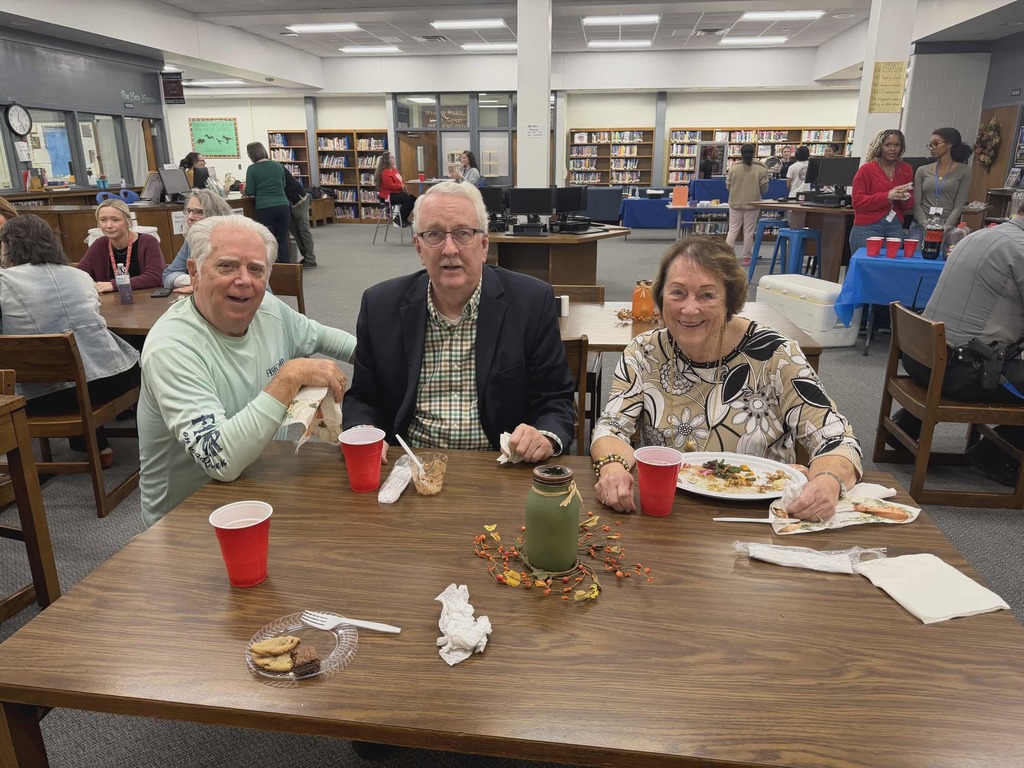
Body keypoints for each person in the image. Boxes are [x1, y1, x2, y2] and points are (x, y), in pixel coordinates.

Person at [591, 235, 862, 520]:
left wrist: (828, 481)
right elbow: (611, 427)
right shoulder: (644, 351)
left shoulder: (776, 355)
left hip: (760, 514)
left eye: (707, 295)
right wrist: (612, 467)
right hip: (668, 513)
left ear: (730, 300)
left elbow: (838, 439)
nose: (689, 308)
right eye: (677, 293)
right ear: (660, 297)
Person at [137, 215, 356, 528]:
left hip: (266, 485)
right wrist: (289, 377)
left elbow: (326, 338)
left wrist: (395, 362)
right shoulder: (172, 347)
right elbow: (222, 461)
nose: (244, 280)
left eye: (256, 269)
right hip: (189, 518)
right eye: (226, 266)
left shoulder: (266, 306)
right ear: (194, 273)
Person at [343, 180, 576, 461]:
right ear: (418, 247)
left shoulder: (531, 302)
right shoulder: (380, 306)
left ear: (483, 245)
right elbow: (363, 398)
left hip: (499, 468)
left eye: (463, 234)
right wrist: (365, 431)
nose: (449, 249)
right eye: (434, 235)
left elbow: (556, 399)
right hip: (410, 465)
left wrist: (545, 436)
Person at [893, 198, 1024, 487]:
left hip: (920, 358)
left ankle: (908, 422)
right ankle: (997, 452)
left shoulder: (981, 234)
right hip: (958, 372)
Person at [0, 214, 139, 468]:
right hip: (112, 380)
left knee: (59, 372)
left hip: (46, 395)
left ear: (8, 246)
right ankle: (98, 445)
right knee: (84, 359)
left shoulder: (4, 283)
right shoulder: (80, 276)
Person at [849, 129, 914, 253]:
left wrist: (905, 198)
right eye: (888, 145)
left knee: (889, 267)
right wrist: (888, 196)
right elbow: (857, 202)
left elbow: (908, 206)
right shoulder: (866, 170)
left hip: (895, 225)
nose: (892, 149)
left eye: (897, 145)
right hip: (868, 225)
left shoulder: (905, 169)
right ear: (880, 147)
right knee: (866, 265)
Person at [77, 198, 163, 292]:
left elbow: (155, 277)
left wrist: (114, 285)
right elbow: (79, 274)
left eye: (115, 220)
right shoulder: (99, 244)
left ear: (127, 221)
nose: (108, 225)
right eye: (103, 220)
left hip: (146, 300)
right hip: (110, 302)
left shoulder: (148, 241)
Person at [161, 189, 234, 291]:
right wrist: (194, 281)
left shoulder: (233, 242)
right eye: (189, 211)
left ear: (215, 214)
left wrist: (199, 283)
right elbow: (168, 275)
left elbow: (232, 280)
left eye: (199, 212)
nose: (190, 217)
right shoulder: (191, 241)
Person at [910, 127, 973, 241]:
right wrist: (925, 224)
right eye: (930, 145)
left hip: (945, 226)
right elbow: (916, 203)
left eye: (936, 144)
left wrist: (946, 227)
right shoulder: (922, 170)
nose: (932, 148)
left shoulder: (964, 171)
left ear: (949, 144)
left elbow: (959, 205)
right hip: (921, 225)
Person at [243, 141, 291, 264]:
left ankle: (272, 268)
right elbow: (284, 184)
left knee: (269, 240)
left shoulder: (252, 169)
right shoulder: (277, 165)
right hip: (283, 205)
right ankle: (286, 267)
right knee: (283, 239)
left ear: (251, 155)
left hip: (265, 207)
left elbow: (249, 190)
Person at [725, 143, 769, 268]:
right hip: (753, 203)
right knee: (748, 232)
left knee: (732, 230)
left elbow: (728, 185)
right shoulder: (761, 168)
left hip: (735, 202)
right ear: (754, 153)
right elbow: (764, 188)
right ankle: (746, 257)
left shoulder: (734, 168)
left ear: (741, 154)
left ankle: (727, 255)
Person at [283, 168, 318, 267]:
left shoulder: (277, 169)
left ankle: (311, 258)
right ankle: (307, 257)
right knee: (295, 231)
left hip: (300, 200)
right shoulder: (274, 168)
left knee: (303, 230)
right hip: (290, 202)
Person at [374, 151, 416, 228]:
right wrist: (401, 186)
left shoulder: (393, 170)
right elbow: (390, 186)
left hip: (395, 193)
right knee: (408, 199)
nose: (394, 159)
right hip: (387, 196)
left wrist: (402, 185)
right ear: (387, 160)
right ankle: (399, 218)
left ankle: (402, 218)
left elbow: (400, 181)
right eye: (392, 158)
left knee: (413, 198)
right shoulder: (385, 172)